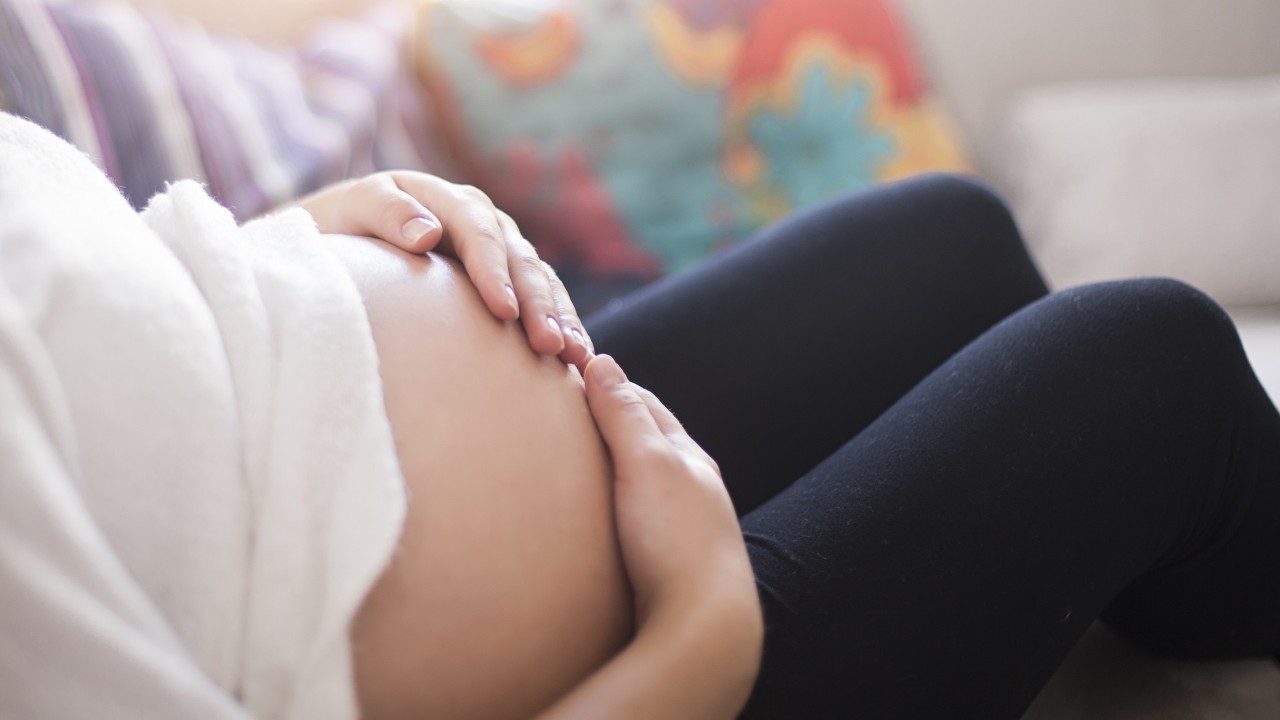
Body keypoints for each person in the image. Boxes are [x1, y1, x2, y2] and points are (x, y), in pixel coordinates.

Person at [2, 110, 1277, 720]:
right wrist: (698, 641)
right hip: (642, 671)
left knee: (952, 237)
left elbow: (119, 370)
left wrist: (285, 242)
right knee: (1148, 356)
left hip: (523, 415)